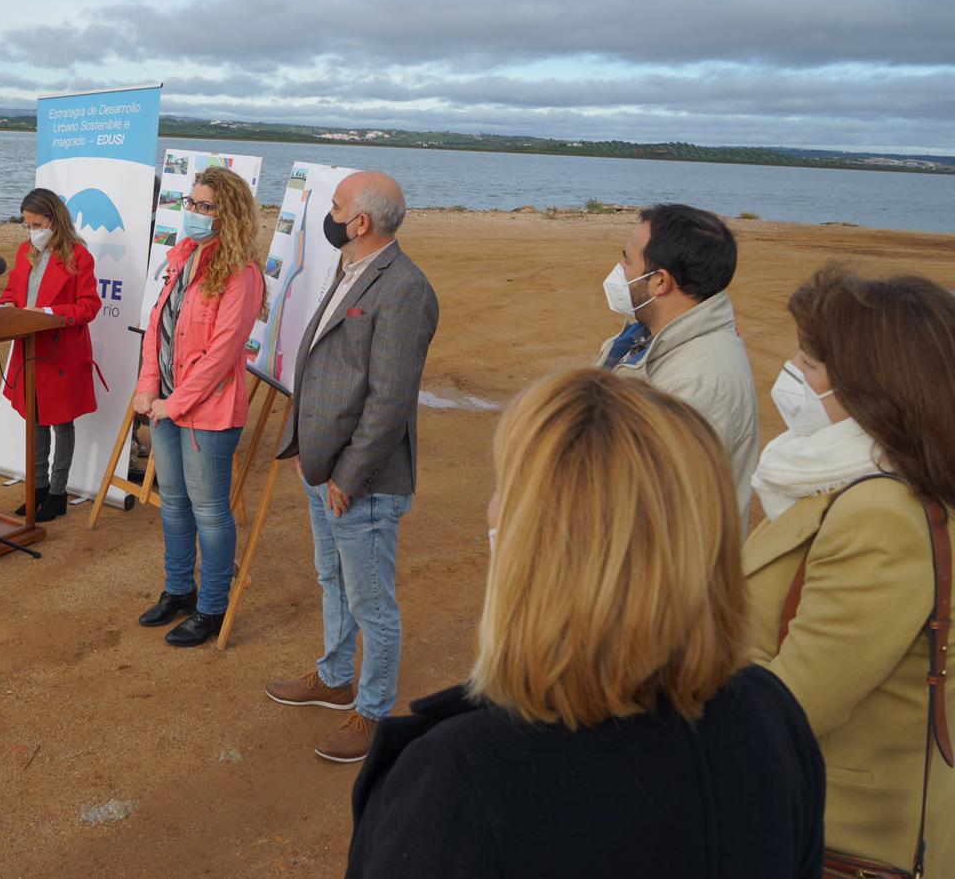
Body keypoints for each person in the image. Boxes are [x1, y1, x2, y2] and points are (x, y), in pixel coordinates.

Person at [347, 369, 825, 878]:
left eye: (505, 486)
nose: (491, 511)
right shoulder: (769, 716)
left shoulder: (459, 778)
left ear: (537, 539)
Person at [744, 265, 955, 875]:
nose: (792, 376)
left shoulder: (882, 512)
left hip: (843, 844)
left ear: (871, 388)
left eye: (809, 367)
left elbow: (790, 707)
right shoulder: (872, 480)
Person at [266, 172, 440, 763]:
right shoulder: (352, 269)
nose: (331, 215)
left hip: (362, 481)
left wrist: (347, 476)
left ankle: (372, 713)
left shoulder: (405, 288)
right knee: (332, 580)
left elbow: (389, 400)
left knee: (373, 604)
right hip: (326, 469)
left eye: (338, 207)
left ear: (360, 222)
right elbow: (323, 365)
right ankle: (335, 677)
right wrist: (305, 451)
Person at [133, 167, 264, 647]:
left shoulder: (242, 273)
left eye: (205, 207)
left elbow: (223, 353)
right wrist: (149, 390)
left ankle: (211, 607)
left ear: (227, 214)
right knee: (173, 504)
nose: (194, 213)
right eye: (192, 204)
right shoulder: (184, 258)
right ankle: (179, 590)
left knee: (210, 511)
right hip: (165, 405)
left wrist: (174, 404)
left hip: (206, 414)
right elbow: (157, 329)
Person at [594, 204, 757, 519]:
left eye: (627, 259)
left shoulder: (696, 385)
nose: (620, 268)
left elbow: (649, 505)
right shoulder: (647, 336)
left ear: (659, 282)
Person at [0, 188, 103, 521]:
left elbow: (89, 306)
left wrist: (46, 311)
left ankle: (58, 492)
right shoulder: (24, 251)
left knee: (61, 423)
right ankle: (37, 488)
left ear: (55, 221)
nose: (32, 231)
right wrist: (4, 308)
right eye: (27, 225)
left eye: (37, 223)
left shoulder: (79, 257)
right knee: (35, 420)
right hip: (29, 346)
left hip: (61, 349)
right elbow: (12, 292)